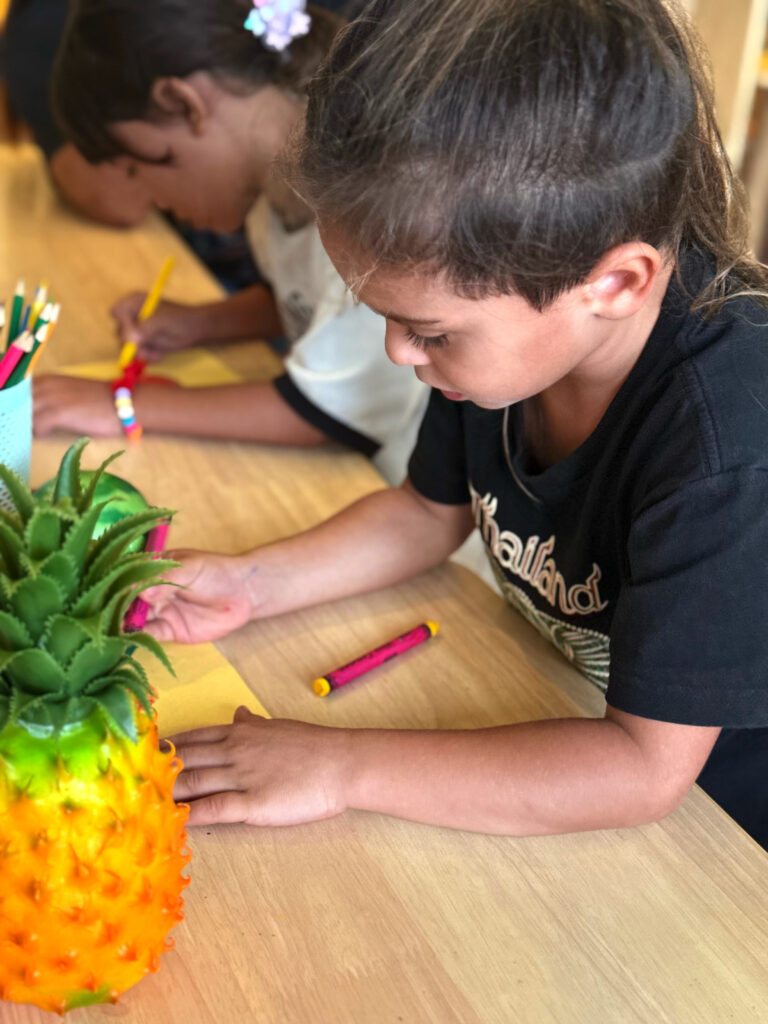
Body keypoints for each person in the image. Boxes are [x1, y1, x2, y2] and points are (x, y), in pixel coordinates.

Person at [143, 0, 768, 846]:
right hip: (564, 724)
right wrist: (253, 584)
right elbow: (425, 512)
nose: (400, 354)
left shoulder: (729, 442)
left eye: (430, 331)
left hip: (722, 838)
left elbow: (642, 768)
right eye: (389, 319)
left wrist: (339, 767)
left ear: (615, 283)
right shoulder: (507, 346)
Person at [34, 0, 428, 485]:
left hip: (402, 497)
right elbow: (308, 299)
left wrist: (125, 403)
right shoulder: (270, 193)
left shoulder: (371, 200)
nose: (151, 198)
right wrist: (203, 324)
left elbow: (328, 413)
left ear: (185, 104)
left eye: (140, 167)